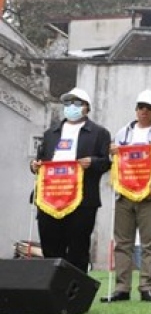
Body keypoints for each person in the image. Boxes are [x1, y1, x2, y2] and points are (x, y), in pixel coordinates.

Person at [102, 90, 151, 303]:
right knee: (122, 243)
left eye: (149, 108)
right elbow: (115, 164)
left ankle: (147, 287)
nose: (144, 111)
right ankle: (122, 287)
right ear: (136, 109)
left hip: (150, 196)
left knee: (149, 243)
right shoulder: (122, 134)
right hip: (125, 195)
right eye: (141, 107)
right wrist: (113, 154)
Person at [30, 87, 111, 274]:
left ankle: (75, 294)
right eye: (67, 103)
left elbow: (106, 163)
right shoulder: (51, 133)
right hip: (50, 197)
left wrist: (92, 162)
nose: (71, 107)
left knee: (78, 248)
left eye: (77, 103)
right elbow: (41, 160)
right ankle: (51, 292)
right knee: (50, 248)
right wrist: (34, 166)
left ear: (87, 108)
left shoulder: (99, 133)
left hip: (82, 200)